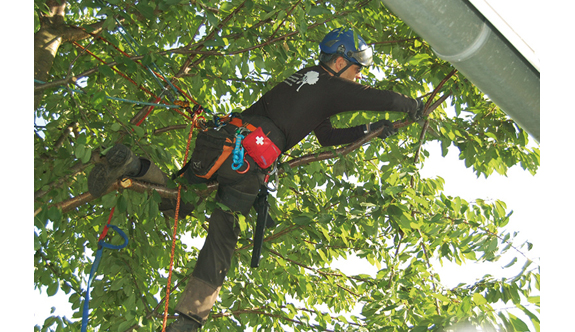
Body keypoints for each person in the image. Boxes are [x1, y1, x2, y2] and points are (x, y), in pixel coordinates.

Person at [87, 27, 424, 331]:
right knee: (223, 234)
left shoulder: (302, 79)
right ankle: (189, 320)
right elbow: (381, 97)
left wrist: (371, 130)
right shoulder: (332, 86)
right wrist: (411, 105)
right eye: (356, 68)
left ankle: (133, 166)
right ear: (338, 63)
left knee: (179, 200)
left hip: (220, 141)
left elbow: (326, 136)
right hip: (245, 161)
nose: (358, 75)